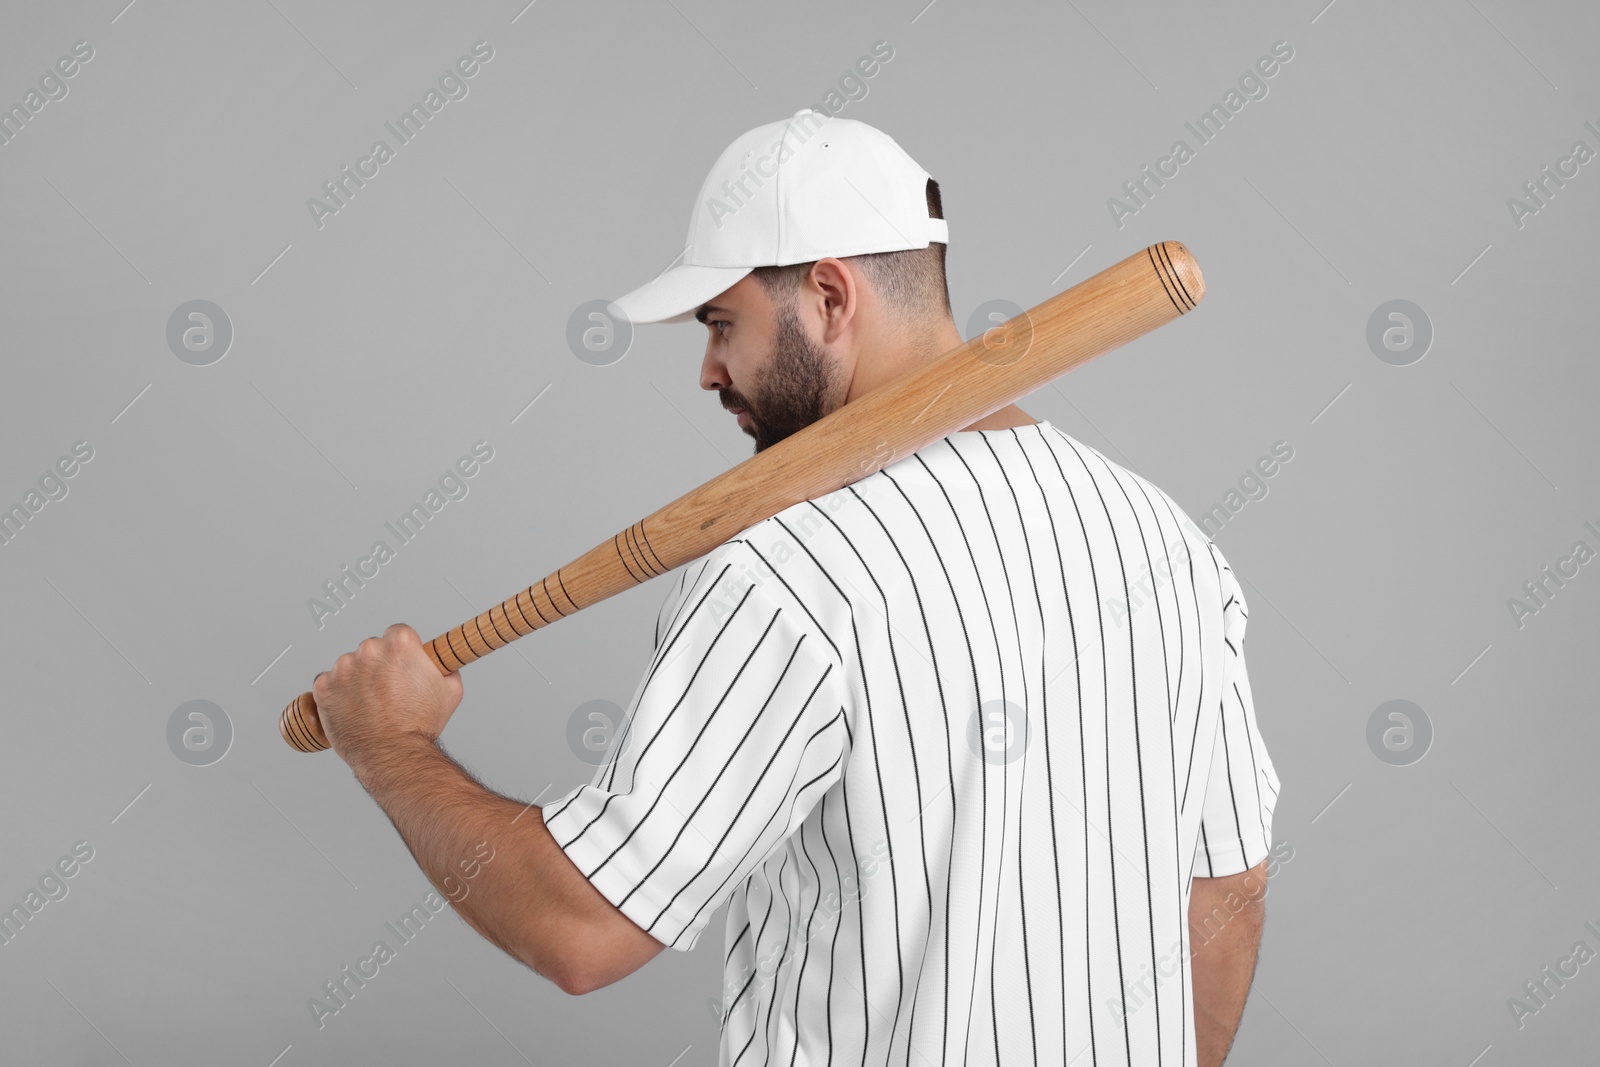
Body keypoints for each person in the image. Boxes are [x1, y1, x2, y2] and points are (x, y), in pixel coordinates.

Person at [310, 110, 1283, 1067]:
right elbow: (1226, 897)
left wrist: (390, 742)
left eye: (720, 322)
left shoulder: (785, 566)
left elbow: (583, 927)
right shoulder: (1168, 544)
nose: (706, 370)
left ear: (827, 295)